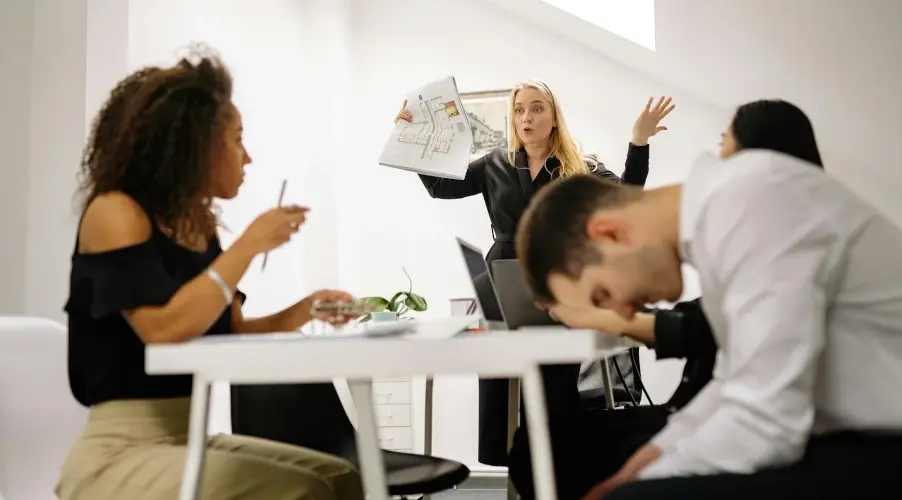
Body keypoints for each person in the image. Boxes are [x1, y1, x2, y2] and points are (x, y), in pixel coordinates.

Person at [515, 102, 902, 498]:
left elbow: (766, 422)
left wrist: (635, 483)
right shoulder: (721, 214)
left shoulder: (748, 200)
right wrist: (654, 456)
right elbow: (734, 381)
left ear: (609, 233)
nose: (623, 314)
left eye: (603, 294)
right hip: (873, 436)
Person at [57, 48, 365, 500]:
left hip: (187, 437)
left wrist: (302, 311)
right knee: (303, 490)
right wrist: (248, 244)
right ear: (195, 145)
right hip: (117, 453)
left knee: (341, 478)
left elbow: (229, 329)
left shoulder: (197, 226)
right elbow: (164, 329)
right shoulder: (114, 213)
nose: (248, 157)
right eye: (237, 140)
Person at [395, 81, 676, 474]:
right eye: (520, 109)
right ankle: (516, 465)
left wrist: (639, 141)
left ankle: (556, 465)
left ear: (554, 117)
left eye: (537, 108)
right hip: (503, 275)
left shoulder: (580, 166)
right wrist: (413, 140)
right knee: (500, 372)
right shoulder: (494, 163)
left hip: (557, 280)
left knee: (554, 376)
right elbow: (441, 188)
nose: (527, 117)